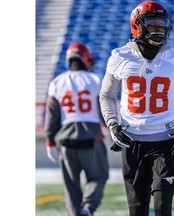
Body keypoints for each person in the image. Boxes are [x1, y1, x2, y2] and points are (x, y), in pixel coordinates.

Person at [99, 1, 174, 216]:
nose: (159, 30)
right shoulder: (120, 57)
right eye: (153, 25)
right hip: (131, 141)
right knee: (137, 211)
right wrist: (112, 124)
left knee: (163, 208)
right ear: (138, 26)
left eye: (162, 26)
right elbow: (106, 95)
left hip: (165, 141)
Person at [44, 43, 109, 216]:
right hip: (91, 137)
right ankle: (87, 208)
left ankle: (75, 214)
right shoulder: (95, 80)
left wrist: (50, 139)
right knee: (98, 177)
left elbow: (52, 116)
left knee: (71, 185)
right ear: (86, 58)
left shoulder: (57, 82)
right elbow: (105, 110)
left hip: (66, 139)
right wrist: (113, 129)